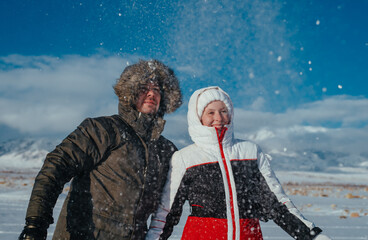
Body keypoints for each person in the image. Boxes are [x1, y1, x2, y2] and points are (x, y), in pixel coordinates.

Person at [18, 59, 182, 240]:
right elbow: (55, 166)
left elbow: (172, 203)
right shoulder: (103, 129)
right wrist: (35, 223)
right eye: (144, 87)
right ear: (131, 92)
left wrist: (158, 236)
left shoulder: (166, 150)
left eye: (157, 90)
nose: (151, 93)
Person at [146, 86, 331, 240]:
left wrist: (311, 235)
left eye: (223, 111)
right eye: (210, 112)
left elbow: (277, 203)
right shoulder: (186, 158)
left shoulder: (250, 152)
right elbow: (166, 212)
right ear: (198, 118)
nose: (218, 118)